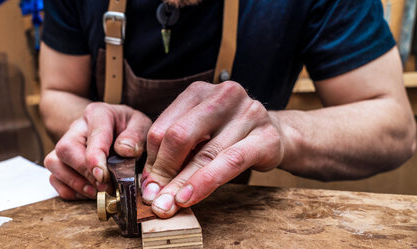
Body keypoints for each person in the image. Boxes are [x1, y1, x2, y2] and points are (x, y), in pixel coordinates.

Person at [41, 0, 416, 218]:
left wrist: (278, 133)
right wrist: (91, 122)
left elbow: (394, 125)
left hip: (229, 222)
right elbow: (57, 92)